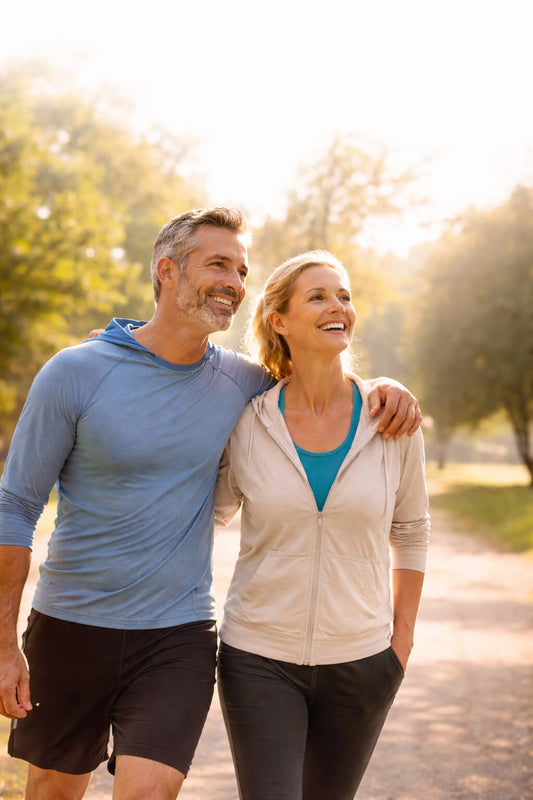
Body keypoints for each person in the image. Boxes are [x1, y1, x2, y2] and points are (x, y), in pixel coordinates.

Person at [0, 208, 421, 800]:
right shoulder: (75, 372)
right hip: (71, 625)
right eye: (218, 264)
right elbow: (16, 505)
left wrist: (384, 389)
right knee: (52, 791)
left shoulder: (243, 384)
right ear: (166, 270)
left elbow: (315, 380)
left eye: (242, 270)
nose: (234, 282)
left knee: (150, 793)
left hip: (178, 635)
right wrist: (3, 642)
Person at [215, 250, 431, 800]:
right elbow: (207, 512)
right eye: (318, 297)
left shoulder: (391, 420)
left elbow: (411, 529)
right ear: (279, 320)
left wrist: (400, 641)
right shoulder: (248, 422)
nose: (338, 307)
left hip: (363, 660)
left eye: (344, 296)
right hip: (257, 657)